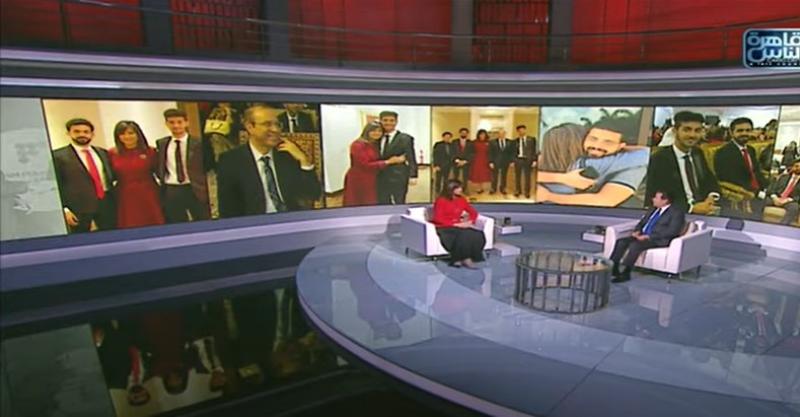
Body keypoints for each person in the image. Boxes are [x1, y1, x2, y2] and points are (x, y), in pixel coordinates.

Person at [217, 104, 321, 217]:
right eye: (267, 124)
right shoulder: (231, 161)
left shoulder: (286, 154)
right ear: (250, 127)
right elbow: (228, 210)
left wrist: (303, 160)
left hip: (289, 218)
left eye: (277, 124)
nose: (276, 130)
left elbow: (313, 193)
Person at [536, 117, 649, 207]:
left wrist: (549, 194)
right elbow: (646, 153)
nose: (597, 145)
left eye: (608, 142)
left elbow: (605, 200)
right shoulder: (589, 164)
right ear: (580, 142)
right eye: (593, 139)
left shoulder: (540, 166)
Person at [645, 111, 721, 215]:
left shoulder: (698, 153)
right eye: (687, 130)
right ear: (675, 131)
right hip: (677, 213)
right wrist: (691, 208)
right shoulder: (660, 158)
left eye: (697, 130)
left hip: (704, 209)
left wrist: (711, 197)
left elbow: (709, 180)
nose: (692, 135)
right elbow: (657, 197)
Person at [52, 118, 116, 233]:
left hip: (107, 205)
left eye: (86, 132)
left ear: (92, 134)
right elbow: (55, 185)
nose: (82, 134)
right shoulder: (58, 156)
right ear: (68, 133)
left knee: (111, 237)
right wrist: (64, 209)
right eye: (76, 131)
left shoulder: (103, 152)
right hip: (78, 209)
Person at [609, 189, 686, 283]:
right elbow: (642, 223)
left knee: (635, 245)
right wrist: (637, 231)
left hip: (658, 239)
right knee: (621, 242)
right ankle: (613, 268)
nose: (653, 199)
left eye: (656, 198)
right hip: (642, 235)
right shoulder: (653, 209)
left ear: (665, 200)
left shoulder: (676, 213)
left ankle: (626, 272)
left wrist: (649, 236)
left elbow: (672, 231)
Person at [155, 108, 211, 223]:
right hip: (172, 188)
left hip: (194, 187)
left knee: (202, 220)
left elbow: (209, 164)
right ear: (166, 124)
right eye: (171, 122)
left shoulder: (199, 143)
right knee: (176, 221)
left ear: (186, 123)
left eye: (179, 122)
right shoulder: (162, 144)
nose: (176, 126)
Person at [109, 121, 165, 228]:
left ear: (138, 134)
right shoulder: (112, 153)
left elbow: (159, 172)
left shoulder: (150, 151)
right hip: (125, 195)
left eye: (131, 133)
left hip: (148, 193)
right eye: (122, 134)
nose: (127, 137)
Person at [714, 117, 768, 219]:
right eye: (740, 131)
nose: (744, 133)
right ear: (731, 132)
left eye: (748, 130)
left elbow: (756, 171)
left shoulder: (751, 150)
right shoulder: (723, 153)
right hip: (740, 194)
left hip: (757, 191)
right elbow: (729, 178)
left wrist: (767, 188)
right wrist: (758, 193)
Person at [343, 122, 406, 206]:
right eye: (373, 130)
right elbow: (365, 165)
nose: (377, 133)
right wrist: (389, 162)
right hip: (359, 179)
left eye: (379, 131)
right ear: (367, 131)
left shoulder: (375, 143)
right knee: (361, 203)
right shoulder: (357, 145)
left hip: (373, 177)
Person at [431, 179, 486, 269]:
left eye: (461, 187)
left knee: (478, 234)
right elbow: (438, 218)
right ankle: (466, 258)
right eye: (458, 188)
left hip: (459, 226)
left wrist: (470, 222)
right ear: (451, 189)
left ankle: (463, 258)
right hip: (445, 227)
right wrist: (455, 224)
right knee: (465, 234)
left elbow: (473, 213)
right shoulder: (441, 200)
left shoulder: (461, 200)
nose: (461, 189)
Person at [376, 111, 417, 204]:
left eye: (392, 120)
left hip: (399, 176)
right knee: (383, 201)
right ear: (380, 121)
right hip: (380, 177)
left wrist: (413, 175)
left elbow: (411, 157)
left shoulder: (405, 138)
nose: (388, 123)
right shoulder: (376, 136)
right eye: (385, 120)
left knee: (399, 201)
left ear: (396, 121)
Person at [765, 159, 800, 225]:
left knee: (795, 207)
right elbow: (770, 189)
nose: (798, 168)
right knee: (761, 201)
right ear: (792, 167)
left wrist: (788, 200)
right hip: (776, 198)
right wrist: (774, 197)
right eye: (796, 166)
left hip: (790, 201)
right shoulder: (783, 177)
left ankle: (782, 226)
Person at [513, 124, 537, 198]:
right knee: (518, 177)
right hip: (518, 160)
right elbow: (513, 152)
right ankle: (518, 191)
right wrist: (513, 160)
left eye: (523, 130)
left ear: (525, 130)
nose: (521, 131)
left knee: (527, 177)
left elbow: (534, 150)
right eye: (519, 130)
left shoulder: (532, 139)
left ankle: (527, 192)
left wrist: (534, 160)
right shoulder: (515, 141)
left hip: (528, 160)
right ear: (518, 132)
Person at [488, 128, 515, 195]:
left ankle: (503, 188)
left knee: (504, 176)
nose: (501, 135)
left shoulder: (510, 142)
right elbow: (490, 152)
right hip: (495, 161)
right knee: (494, 176)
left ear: (505, 134)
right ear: (498, 134)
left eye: (503, 133)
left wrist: (512, 161)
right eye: (500, 133)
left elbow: (512, 153)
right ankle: (493, 188)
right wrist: (490, 162)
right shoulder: (492, 142)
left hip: (506, 161)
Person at [451, 128, 474, 193]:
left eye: (465, 133)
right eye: (462, 132)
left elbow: (472, 153)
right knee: (456, 177)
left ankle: (464, 189)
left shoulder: (470, 143)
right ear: (460, 133)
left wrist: (465, 161)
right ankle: (455, 189)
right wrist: (457, 160)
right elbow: (452, 152)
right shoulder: (454, 142)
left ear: (467, 134)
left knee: (465, 177)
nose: (464, 134)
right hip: (456, 162)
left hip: (466, 162)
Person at [469, 129, 492, 194]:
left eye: (483, 134)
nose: (482, 136)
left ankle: (482, 187)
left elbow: (491, 152)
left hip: (485, 159)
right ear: (478, 135)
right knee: (477, 173)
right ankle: (478, 188)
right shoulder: (474, 142)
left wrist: (490, 160)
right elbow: (471, 151)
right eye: (481, 134)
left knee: (483, 174)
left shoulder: (489, 142)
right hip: (476, 159)